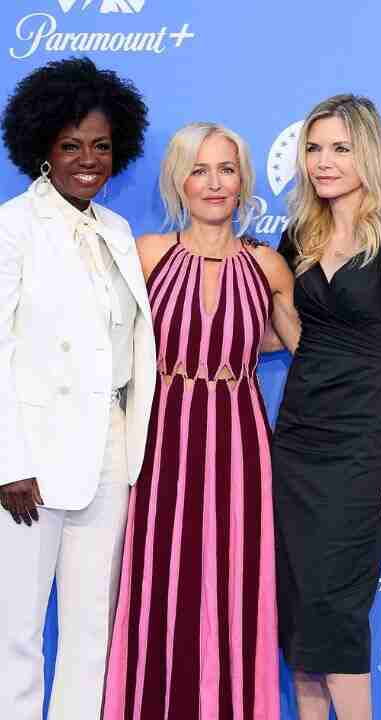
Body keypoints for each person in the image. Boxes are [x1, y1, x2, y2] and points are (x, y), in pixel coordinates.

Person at [101, 122, 300, 719]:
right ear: (178, 181)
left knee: (235, 579)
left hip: (240, 441)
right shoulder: (148, 254)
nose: (214, 184)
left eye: (226, 170)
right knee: (163, 578)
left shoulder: (268, 266)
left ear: (243, 181)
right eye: (199, 170)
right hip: (162, 438)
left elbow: (307, 347)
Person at [0, 56, 155, 720]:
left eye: (101, 146)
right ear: (43, 149)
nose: (88, 160)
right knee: (16, 632)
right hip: (31, 459)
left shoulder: (116, 231)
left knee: (92, 631)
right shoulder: (12, 227)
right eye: (71, 146)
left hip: (108, 450)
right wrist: (9, 461)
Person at [272, 94, 381, 720]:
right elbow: (286, 332)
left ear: (369, 154)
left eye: (340, 148)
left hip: (364, 441)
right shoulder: (297, 237)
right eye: (313, 148)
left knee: (336, 609)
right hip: (296, 438)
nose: (323, 162)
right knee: (300, 609)